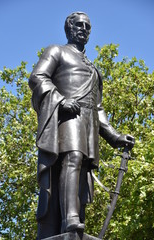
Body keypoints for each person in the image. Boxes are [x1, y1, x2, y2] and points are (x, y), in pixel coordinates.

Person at [29, 12, 135, 239]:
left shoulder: (94, 69)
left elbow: (98, 107)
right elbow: (38, 77)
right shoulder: (56, 51)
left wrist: (115, 136)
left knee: (82, 171)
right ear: (68, 28)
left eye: (88, 26)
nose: (84, 29)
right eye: (79, 24)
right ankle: (70, 220)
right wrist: (60, 100)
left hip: (88, 123)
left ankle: (76, 218)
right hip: (67, 118)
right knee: (73, 157)